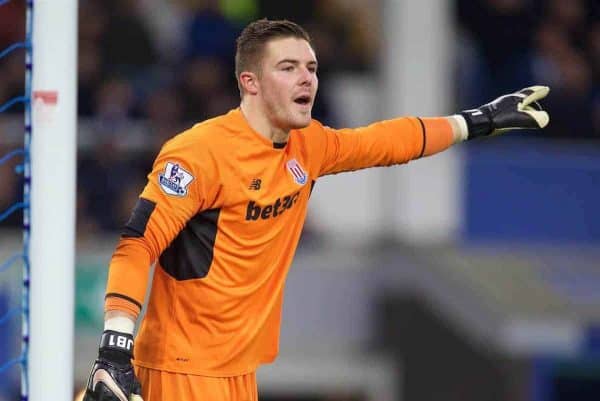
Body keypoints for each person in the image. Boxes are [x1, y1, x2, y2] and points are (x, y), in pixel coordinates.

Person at [83, 19, 550, 401]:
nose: (307, 78)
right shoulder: (197, 154)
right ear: (249, 82)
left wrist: (477, 120)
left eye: (312, 67)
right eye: (288, 67)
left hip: (237, 374)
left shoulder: (310, 146)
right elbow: (136, 245)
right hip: (180, 371)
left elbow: (387, 141)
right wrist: (115, 350)